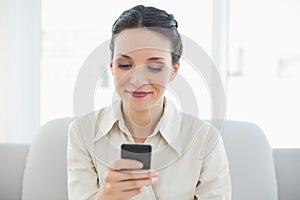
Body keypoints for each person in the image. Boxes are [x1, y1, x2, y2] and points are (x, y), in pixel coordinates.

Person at [67, 5, 231, 200]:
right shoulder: (82, 132)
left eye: (154, 67)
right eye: (125, 65)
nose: (137, 80)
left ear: (174, 70)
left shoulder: (205, 140)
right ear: (112, 67)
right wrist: (105, 197)